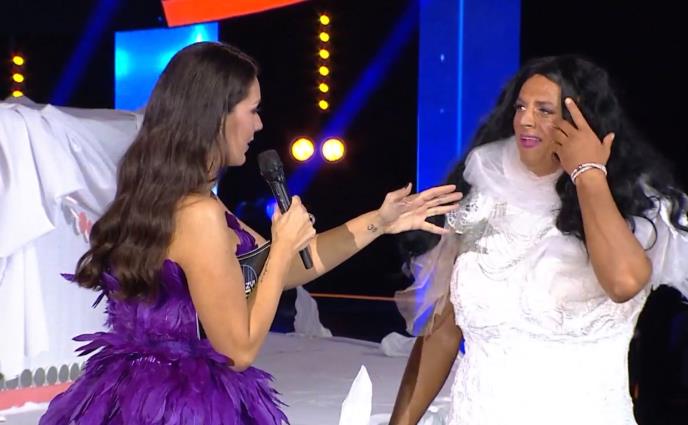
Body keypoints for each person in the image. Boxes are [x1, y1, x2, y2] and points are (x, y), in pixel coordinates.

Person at [38, 41, 460, 425]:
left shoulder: (171, 196)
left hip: (134, 395)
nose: (258, 125)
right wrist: (282, 248)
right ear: (216, 116)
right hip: (180, 406)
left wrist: (379, 222)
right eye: (252, 110)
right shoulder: (198, 214)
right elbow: (236, 350)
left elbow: (288, 268)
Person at [389, 55, 688, 425]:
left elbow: (624, 282)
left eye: (544, 110)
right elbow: (442, 333)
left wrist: (588, 173)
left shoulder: (634, 207)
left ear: (583, 122)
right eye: (520, 107)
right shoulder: (483, 195)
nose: (525, 120)